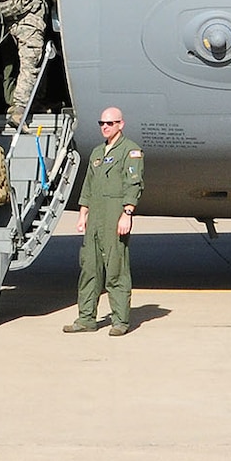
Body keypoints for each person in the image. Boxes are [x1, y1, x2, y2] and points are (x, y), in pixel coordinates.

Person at [65, 107, 145, 337]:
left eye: (110, 123)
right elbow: (88, 186)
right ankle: (86, 318)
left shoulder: (130, 151)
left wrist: (127, 214)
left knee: (115, 269)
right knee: (89, 268)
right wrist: (83, 214)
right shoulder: (98, 153)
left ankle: (120, 320)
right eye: (102, 123)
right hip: (95, 219)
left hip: (114, 215)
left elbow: (134, 184)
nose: (105, 127)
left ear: (121, 124)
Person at [0, 0, 51, 128]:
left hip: (12, 22)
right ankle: (20, 109)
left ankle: (33, 101)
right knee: (29, 65)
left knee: (21, 63)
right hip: (31, 22)